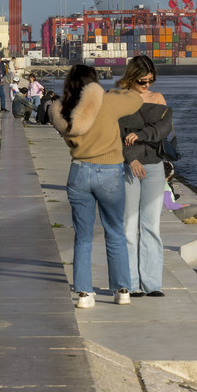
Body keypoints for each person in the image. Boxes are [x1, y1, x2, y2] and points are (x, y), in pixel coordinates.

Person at [47, 64, 141, 309]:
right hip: (109, 171)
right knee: (115, 231)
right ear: (94, 83)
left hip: (79, 172)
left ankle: (84, 294)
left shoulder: (63, 110)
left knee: (83, 236)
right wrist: (118, 88)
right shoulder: (107, 102)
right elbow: (136, 99)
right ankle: (122, 290)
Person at [116, 56, 172, 298]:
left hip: (155, 166)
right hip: (128, 166)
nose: (147, 85)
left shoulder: (157, 98)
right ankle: (130, 283)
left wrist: (141, 135)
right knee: (128, 226)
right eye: (142, 81)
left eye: (151, 80)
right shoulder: (118, 98)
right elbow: (113, 133)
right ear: (131, 77)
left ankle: (152, 283)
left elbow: (164, 128)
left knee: (151, 226)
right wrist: (131, 157)